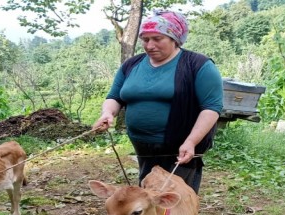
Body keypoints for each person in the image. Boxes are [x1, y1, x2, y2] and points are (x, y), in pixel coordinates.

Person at [93, 10, 223, 194]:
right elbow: (114, 97)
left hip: (180, 147)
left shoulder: (198, 65)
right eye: (145, 40)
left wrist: (191, 141)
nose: (150, 45)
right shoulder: (132, 65)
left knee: (175, 197)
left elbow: (211, 107)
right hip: (142, 145)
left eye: (157, 38)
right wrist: (107, 113)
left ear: (174, 39)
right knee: (148, 192)